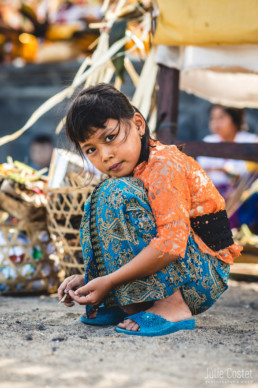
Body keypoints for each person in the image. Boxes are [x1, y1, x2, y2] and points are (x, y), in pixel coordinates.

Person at [58, 84, 242, 337]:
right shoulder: (133, 171)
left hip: (204, 275)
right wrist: (91, 277)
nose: (106, 155)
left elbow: (172, 242)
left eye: (110, 137)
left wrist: (110, 280)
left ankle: (172, 305)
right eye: (91, 149)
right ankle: (122, 302)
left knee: (116, 193)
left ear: (138, 125)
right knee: (100, 198)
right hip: (185, 263)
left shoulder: (164, 164)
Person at [197, 105, 258, 199]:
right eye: (213, 118)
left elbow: (249, 175)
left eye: (221, 117)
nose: (216, 123)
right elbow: (202, 173)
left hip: (243, 197)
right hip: (211, 195)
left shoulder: (250, 141)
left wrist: (219, 170)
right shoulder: (208, 142)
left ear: (235, 119)